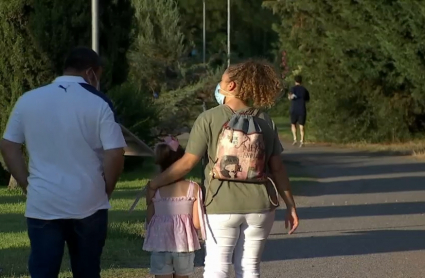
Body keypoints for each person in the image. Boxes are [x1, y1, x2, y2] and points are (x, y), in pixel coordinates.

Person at [147, 60, 299, 278]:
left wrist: (155, 183)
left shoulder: (208, 118)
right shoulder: (265, 120)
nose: (219, 85)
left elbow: (187, 163)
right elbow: (278, 168)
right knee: (249, 267)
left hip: (220, 204)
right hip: (261, 206)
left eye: (222, 81)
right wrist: (290, 205)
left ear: (232, 86)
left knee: (217, 266)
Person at [0, 47, 126, 278]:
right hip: (89, 201)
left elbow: (9, 146)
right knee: (87, 270)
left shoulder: (28, 99)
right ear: (91, 73)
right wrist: (107, 188)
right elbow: (115, 153)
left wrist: (27, 184)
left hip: (43, 202)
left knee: (43, 270)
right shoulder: (99, 103)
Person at [143, 136, 205, 278]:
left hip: (160, 244)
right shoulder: (193, 188)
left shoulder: (154, 189)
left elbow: (149, 219)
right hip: (184, 245)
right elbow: (196, 223)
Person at [288, 75, 310, 147]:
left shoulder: (292, 89)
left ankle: (295, 139)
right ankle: (302, 140)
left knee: (293, 124)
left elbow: (290, 97)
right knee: (301, 125)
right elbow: (307, 99)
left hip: (294, 109)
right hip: (302, 108)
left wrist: (292, 97)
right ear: (301, 81)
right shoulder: (304, 90)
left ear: (295, 81)